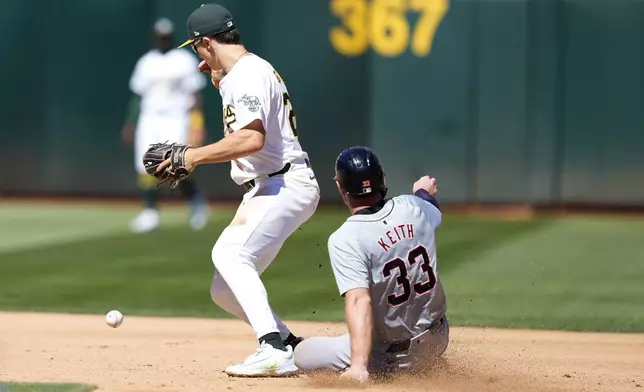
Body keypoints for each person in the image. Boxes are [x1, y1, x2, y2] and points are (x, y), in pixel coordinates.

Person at [168, 3, 320, 377]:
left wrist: (192, 156)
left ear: (206, 42)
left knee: (230, 253)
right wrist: (219, 78)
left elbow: (251, 138)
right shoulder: (242, 71)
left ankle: (271, 347)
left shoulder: (247, 75)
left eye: (196, 48)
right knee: (223, 289)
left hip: (284, 182)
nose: (198, 56)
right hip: (269, 185)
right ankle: (290, 344)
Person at [293, 146, 449, 383]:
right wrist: (421, 191)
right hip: (438, 339)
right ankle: (427, 363)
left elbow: (359, 300)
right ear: (382, 179)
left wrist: (358, 367)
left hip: (390, 359)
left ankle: (371, 365)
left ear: (340, 188)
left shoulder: (346, 237)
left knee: (301, 353)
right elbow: (430, 205)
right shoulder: (413, 207)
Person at [122, 17, 210, 233]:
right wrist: (131, 123)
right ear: (155, 37)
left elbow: (196, 94)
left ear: (171, 37)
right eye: (160, 36)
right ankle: (150, 212)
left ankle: (195, 203)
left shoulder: (183, 59)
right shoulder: (146, 62)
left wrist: (197, 123)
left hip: (176, 117)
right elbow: (137, 96)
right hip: (150, 118)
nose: (163, 40)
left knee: (178, 163)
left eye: (166, 36)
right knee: (146, 164)